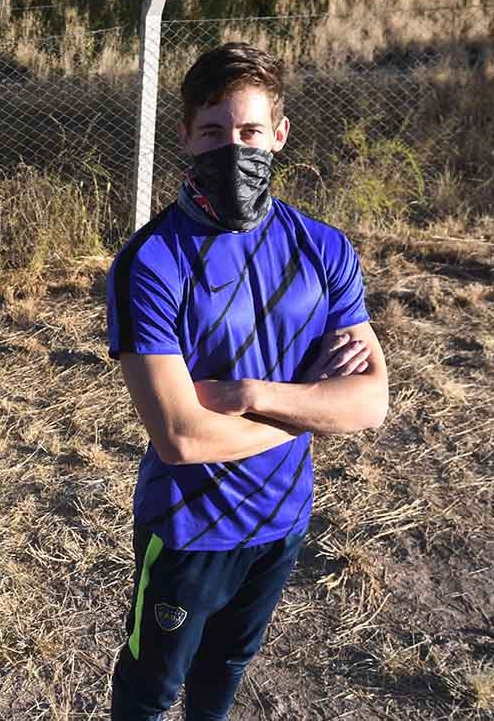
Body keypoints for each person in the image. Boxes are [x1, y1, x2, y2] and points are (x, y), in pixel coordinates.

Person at [106, 43, 389, 720]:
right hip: (187, 530)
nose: (233, 149)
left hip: (284, 521)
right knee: (150, 692)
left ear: (280, 135)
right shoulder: (149, 264)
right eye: (212, 133)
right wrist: (314, 404)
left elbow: (371, 401)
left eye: (250, 132)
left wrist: (251, 395)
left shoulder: (324, 249)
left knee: (225, 672)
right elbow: (179, 437)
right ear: (185, 137)